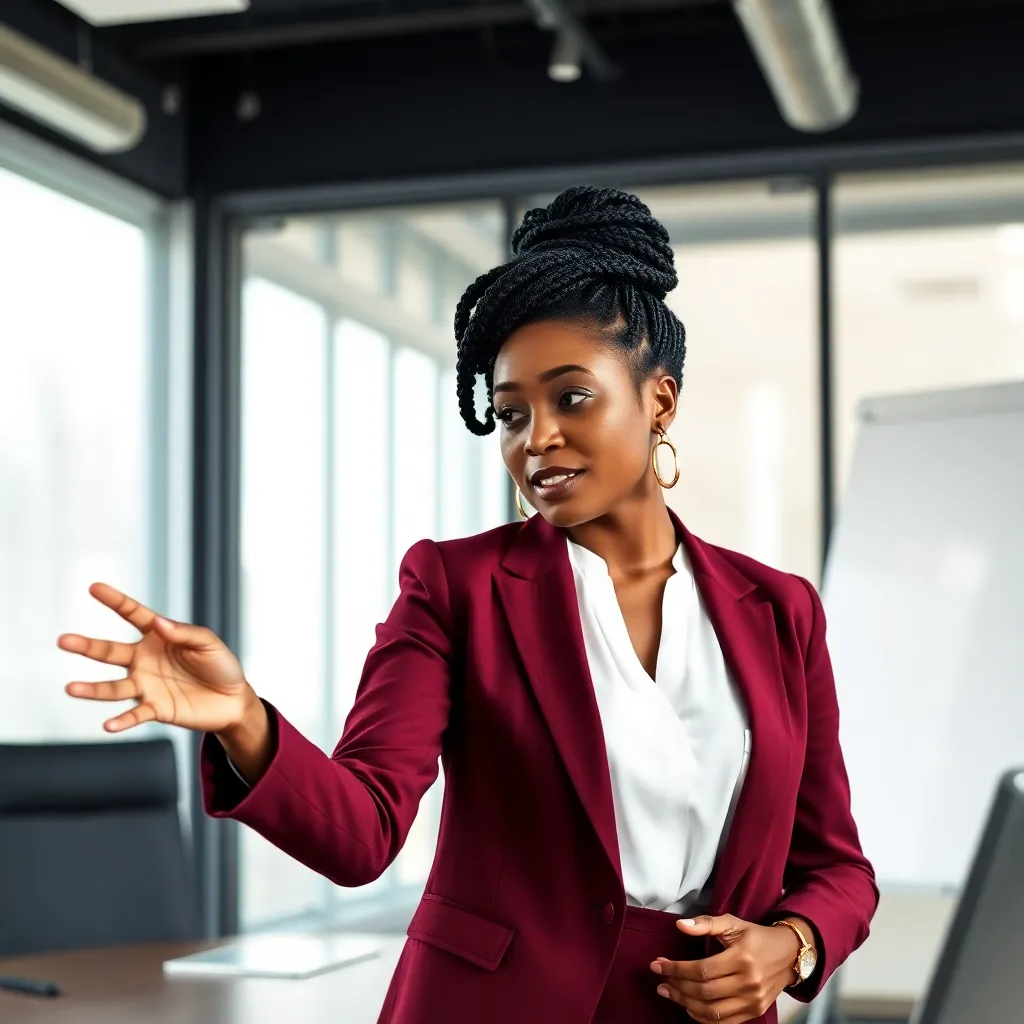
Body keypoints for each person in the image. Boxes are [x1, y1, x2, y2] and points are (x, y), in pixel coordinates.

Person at [60, 187, 877, 1024]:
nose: (536, 440)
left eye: (572, 397)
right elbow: (362, 832)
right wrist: (244, 722)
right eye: (511, 414)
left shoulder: (779, 611)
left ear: (659, 401)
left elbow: (838, 867)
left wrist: (793, 944)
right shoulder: (457, 587)